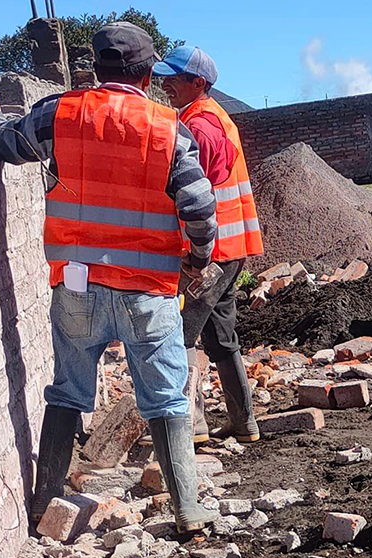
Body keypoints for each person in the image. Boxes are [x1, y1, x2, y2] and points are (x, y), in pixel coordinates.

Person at [0, 22, 220, 533]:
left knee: (67, 389)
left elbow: (9, 143)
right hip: (148, 290)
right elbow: (199, 206)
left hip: (77, 286)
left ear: (96, 67)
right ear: (149, 72)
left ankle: (46, 500)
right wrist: (197, 260)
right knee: (166, 396)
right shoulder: (166, 127)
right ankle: (188, 508)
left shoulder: (61, 112)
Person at [153, 45, 264, 445]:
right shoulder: (210, 118)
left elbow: (200, 192)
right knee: (221, 336)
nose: (165, 85)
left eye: (173, 79)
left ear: (197, 83)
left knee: (178, 334)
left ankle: (191, 426)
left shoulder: (200, 127)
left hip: (208, 255)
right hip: (228, 251)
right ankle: (243, 421)